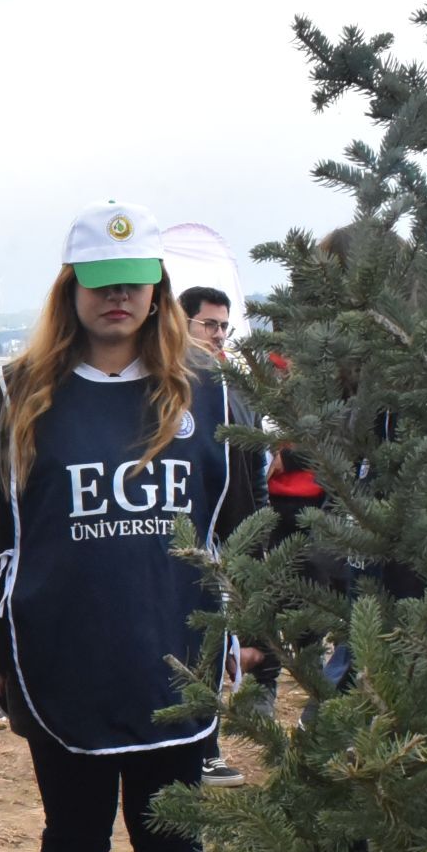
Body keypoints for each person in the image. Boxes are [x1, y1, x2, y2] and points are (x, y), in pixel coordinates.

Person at [0, 200, 258, 852]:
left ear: (157, 288)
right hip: (62, 657)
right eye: (99, 285)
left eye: (133, 284)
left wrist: (257, 626)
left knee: (173, 842)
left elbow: (247, 518)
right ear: (71, 290)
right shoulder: (22, 394)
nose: (117, 299)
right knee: (75, 841)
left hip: (174, 656)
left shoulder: (209, 391)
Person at [179, 284, 252, 788]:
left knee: (211, 641)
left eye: (224, 326)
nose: (218, 334)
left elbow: (247, 456)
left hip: (224, 531)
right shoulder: (174, 385)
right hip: (181, 531)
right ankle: (192, 747)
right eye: (209, 324)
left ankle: (206, 745)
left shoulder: (228, 383)